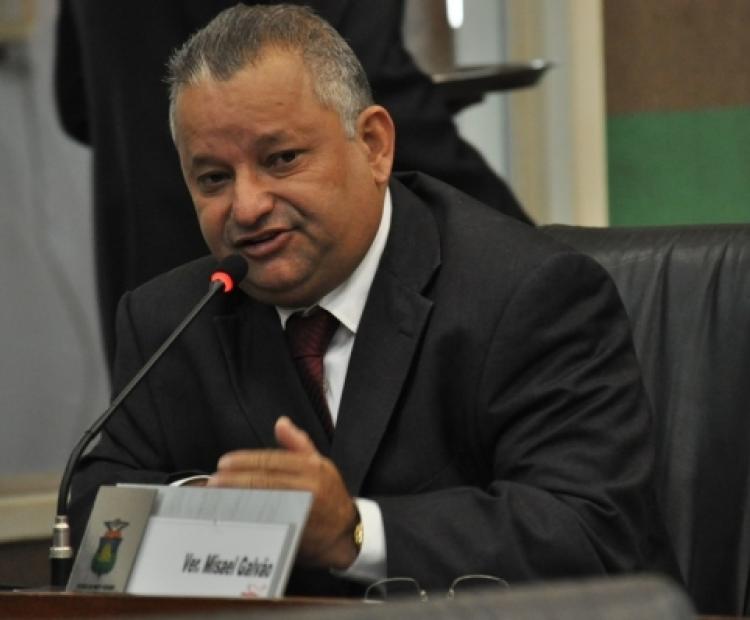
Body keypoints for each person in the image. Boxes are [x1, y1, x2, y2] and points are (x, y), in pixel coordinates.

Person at [69, 4, 676, 597]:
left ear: (374, 145)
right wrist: (212, 506)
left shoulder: (528, 295)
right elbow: (96, 511)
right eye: (214, 179)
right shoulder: (170, 319)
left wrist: (356, 532)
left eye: (282, 160)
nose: (247, 207)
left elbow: (593, 534)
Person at [54, 0, 532, 370]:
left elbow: (77, 106)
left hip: (150, 271)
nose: (246, 205)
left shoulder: (149, 317)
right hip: (304, 291)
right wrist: (528, 252)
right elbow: (376, 83)